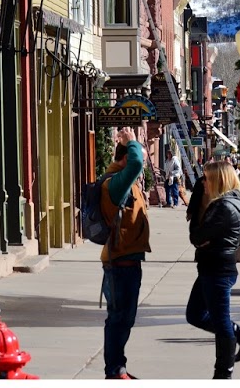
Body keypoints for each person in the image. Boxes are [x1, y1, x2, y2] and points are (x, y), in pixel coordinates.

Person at [186, 160, 240, 378]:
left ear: (218, 181)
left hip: (217, 269)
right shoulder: (232, 202)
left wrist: (197, 206)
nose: (203, 184)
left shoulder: (223, 207)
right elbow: (202, 239)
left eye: (207, 180)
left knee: (221, 324)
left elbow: (196, 237)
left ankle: (223, 374)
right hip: (213, 267)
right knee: (195, 314)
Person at [100, 127, 151, 380]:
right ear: (125, 160)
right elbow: (135, 164)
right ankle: (114, 370)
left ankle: (117, 367)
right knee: (119, 319)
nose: (140, 169)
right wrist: (133, 143)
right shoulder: (117, 182)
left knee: (122, 319)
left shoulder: (123, 181)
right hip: (120, 264)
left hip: (126, 261)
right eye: (135, 161)